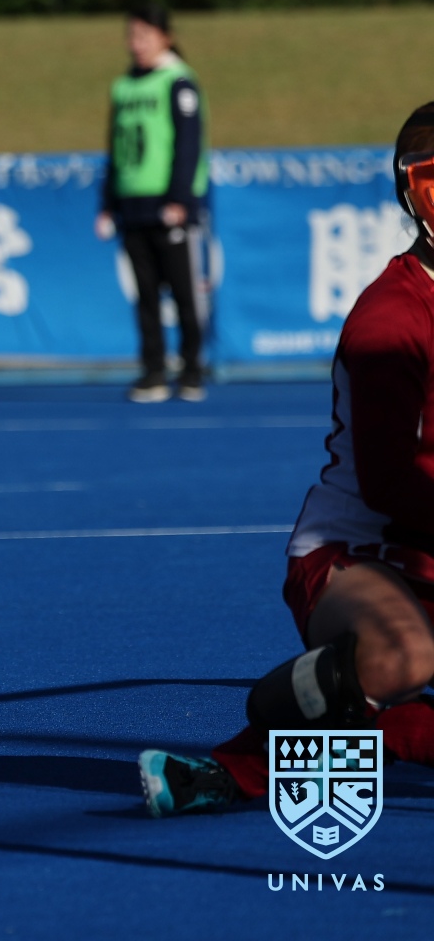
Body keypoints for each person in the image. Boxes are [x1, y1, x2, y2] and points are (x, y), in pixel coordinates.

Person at [137, 103, 434, 818]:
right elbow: (392, 483)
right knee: (403, 655)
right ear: (418, 196)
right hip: (360, 553)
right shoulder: (391, 319)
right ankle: (246, 759)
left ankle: (366, 730)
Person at [95, 4, 210, 402]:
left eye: (144, 35)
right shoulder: (123, 86)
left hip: (168, 203)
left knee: (183, 292)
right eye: (132, 35)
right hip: (133, 203)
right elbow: (115, 147)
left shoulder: (178, 81)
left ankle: (192, 369)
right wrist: (108, 202)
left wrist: (180, 198)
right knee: (144, 295)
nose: (136, 43)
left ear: (165, 37)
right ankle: (154, 370)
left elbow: (188, 143)